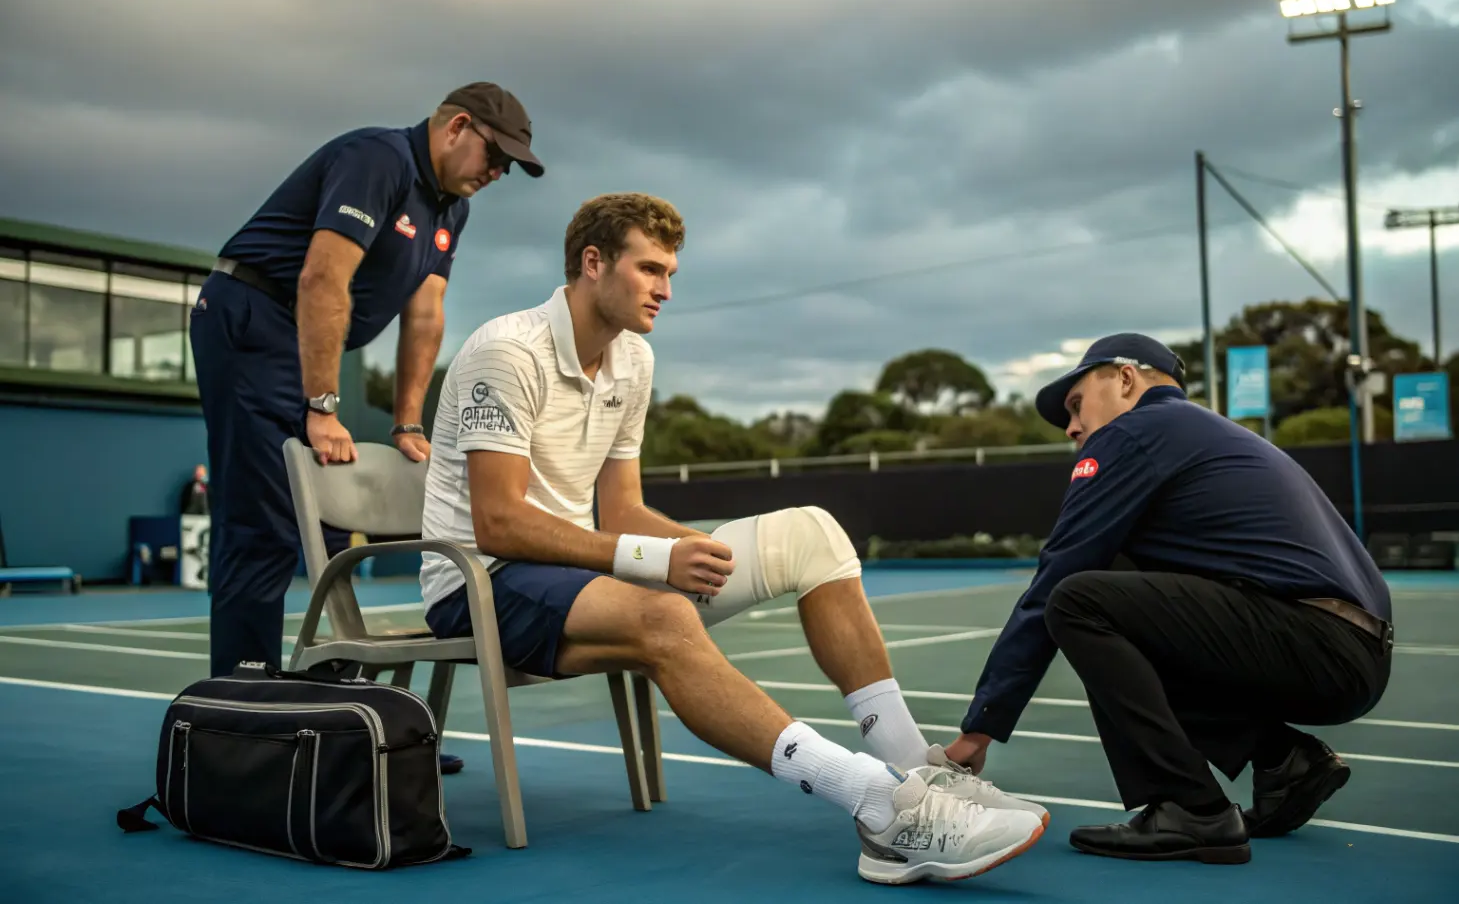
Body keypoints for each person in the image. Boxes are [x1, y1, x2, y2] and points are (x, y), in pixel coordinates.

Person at [415, 192, 1047, 884]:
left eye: (671, 275)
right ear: (592, 264)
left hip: (574, 571)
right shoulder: (506, 351)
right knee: (664, 613)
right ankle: (881, 808)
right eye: (651, 270)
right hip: (480, 580)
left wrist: (697, 550)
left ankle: (913, 770)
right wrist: (659, 562)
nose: (665, 290)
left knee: (814, 534)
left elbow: (622, 511)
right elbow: (498, 522)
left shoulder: (632, 361)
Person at [189, 81, 545, 777]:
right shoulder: (376, 159)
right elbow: (323, 280)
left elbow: (426, 312)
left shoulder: (453, 208)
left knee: (328, 532)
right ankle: (234, 725)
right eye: (495, 154)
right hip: (250, 318)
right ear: (455, 127)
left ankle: (346, 724)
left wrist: (407, 419)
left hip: (303, 346)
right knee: (261, 523)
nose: (498, 172)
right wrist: (322, 405)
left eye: (510, 165)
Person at [942, 334, 1393, 865]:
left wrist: (980, 729)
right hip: (1350, 648)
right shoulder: (1208, 431)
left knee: (1078, 599)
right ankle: (1282, 758)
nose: (1071, 428)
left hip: (1312, 640)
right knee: (1119, 582)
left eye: (1076, 404)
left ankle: (1190, 807)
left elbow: (1056, 579)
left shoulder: (1134, 433)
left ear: (1125, 380)